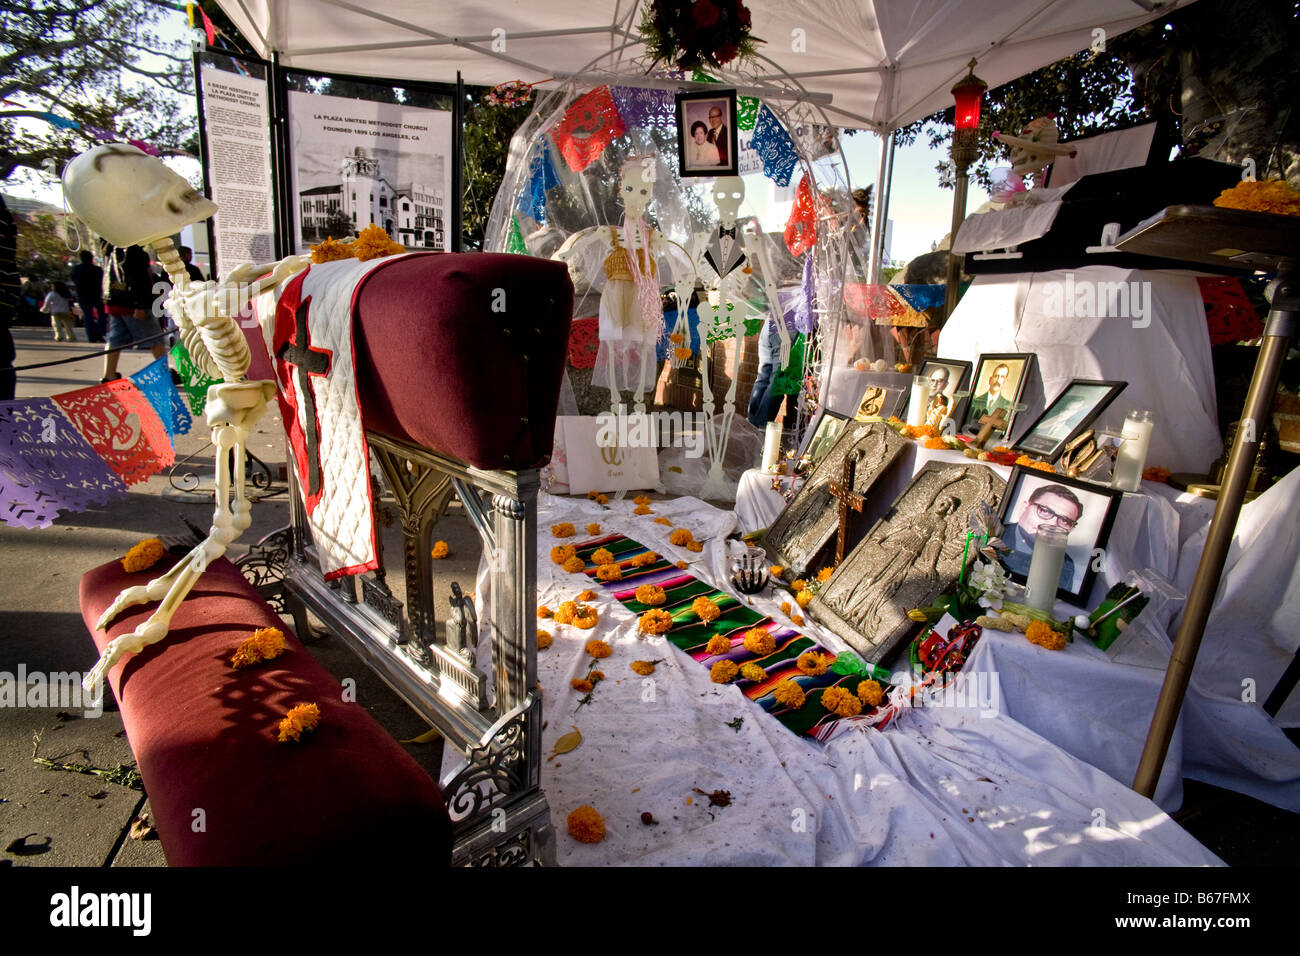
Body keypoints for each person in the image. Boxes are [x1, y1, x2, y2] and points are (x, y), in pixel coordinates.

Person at [101, 245, 167, 384]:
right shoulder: (135, 252)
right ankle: (165, 373)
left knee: (115, 339)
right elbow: (140, 279)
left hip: (114, 300)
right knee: (155, 338)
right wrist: (140, 304)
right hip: (134, 303)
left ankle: (109, 374)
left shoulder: (111, 248)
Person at [1001, 483, 1081, 588]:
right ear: (1025, 508)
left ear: (1071, 529)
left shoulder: (1065, 565)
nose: (1052, 525)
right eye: (1044, 511)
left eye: (1065, 521)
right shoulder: (994, 535)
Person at [70, 249, 106, 343]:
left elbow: (74, 279)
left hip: (82, 294)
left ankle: (91, 335)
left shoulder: (76, 269)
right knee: (102, 313)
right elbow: (102, 281)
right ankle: (100, 332)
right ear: (91, 258)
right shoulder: (97, 269)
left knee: (87, 315)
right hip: (96, 294)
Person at [968, 362, 1014, 428]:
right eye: (996, 376)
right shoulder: (974, 401)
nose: (998, 380)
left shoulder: (1008, 406)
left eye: (1002, 377)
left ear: (1005, 382)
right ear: (990, 380)